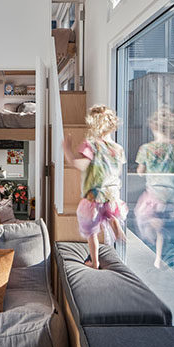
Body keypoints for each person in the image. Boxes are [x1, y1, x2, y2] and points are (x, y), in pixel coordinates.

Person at [63, 105, 126, 269]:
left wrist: (67, 150)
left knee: (91, 232)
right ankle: (114, 222)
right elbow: (117, 171)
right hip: (112, 194)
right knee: (108, 211)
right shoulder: (118, 149)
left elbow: (79, 164)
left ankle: (95, 262)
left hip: (94, 196)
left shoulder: (90, 145)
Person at [135, 106, 174, 268]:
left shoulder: (146, 149)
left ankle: (156, 226)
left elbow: (140, 171)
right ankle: (159, 258)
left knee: (142, 216)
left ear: (153, 127)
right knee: (164, 228)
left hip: (155, 196)